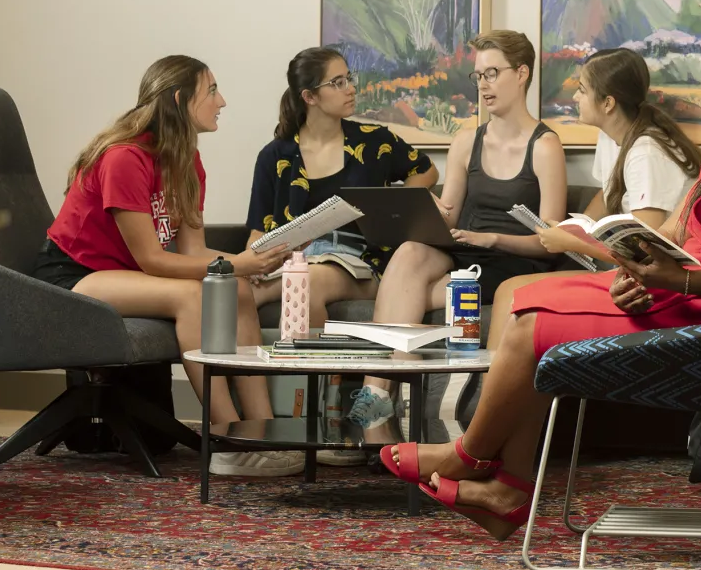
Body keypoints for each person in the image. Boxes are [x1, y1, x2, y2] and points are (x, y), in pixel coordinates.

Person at [380, 5, 701, 540]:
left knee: (529, 325)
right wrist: (641, 271)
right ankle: (506, 487)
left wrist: (684, 282)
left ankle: (475, 461)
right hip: (678, 288)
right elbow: (685, 227)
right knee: (525, 304)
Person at [33, 55, 303, 477]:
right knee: (197, 294)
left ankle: (263, 431)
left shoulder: (187, 161)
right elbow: (153, 259)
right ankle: (226, 439)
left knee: (238, 289)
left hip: (128, 276)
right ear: (180, 99)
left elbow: (193, 249)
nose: (223, 101)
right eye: (212, 90)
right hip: (73, 275)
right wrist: (237, 263)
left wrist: (248, 264)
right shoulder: (125, 158)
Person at [347, 30, 568, 428]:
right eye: (478, 76)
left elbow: (551, 243)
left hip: (513, 263)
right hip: (466, 255)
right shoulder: (467, 141)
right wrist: (419, 206)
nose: (483, 85)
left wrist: (493, 237)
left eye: (492, 73)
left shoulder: (545, 146)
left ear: (521, 74)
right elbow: (449, 217)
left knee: (405, 292)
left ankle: (400, 392)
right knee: (410, 252)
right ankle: (379, 393)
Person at [245, 46, 438, 464]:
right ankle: (258, 425)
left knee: (307, 283)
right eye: (338, 82)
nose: (350, 88)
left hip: (362, 261)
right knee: (238, 291)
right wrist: (253, 262)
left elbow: (426, 170)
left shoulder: (374, 142)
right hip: (292, 259)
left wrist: (396, 203)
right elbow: (258, 229)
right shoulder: (275, 155)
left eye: (350, 78)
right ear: (309, 97)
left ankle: (332, 416)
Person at [486, 47, 701, 348]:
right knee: (510, 290)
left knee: (510, 291)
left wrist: (571, 243)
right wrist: (569, 228)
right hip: (620, 270)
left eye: (581, 90)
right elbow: (608, 192)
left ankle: (489, 392)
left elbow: (646, 247)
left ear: (608, 103)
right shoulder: (613, 136)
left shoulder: (647, 151)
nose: (575, 98)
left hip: (650, 282)